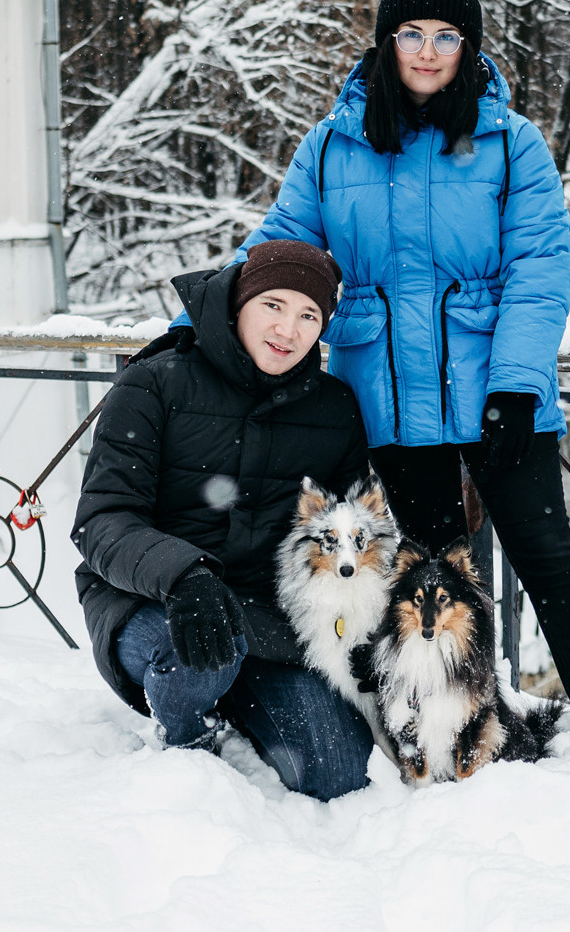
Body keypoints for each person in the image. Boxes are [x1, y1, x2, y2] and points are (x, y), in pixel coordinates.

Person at [239, 0, 570, 753]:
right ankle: (445, 725)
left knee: (546, 560)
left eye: (445, 34)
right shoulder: (333, 144)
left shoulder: (511, 143)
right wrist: (206, 323)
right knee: (425, 580)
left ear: (469, 46)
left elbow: (541, 264)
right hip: (383, 396)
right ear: (386, 42)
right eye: (410, 32)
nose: (425, 50)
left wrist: (518, 383)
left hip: (497, 392)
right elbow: (280, 252)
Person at [71, 240, 375, 800]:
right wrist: (184, 574)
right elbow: (102, 519)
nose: (288, 330)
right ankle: (187, 733)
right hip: (150, 600)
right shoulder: (154, 383)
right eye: (273, 306)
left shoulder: (333, 410)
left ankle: (234, 691)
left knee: (336, 771)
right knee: (201, 652)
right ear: (239, 303)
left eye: (309, 315)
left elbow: (350, 532)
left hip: (267, 619)